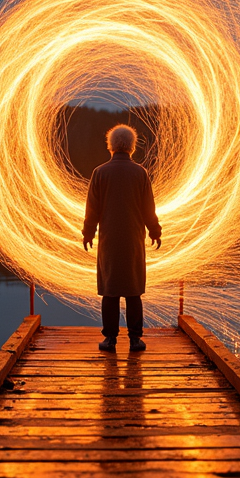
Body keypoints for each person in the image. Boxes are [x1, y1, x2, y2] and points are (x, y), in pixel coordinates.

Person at [82, 124, 162, 352]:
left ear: (110, 146)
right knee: (133, 291)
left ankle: (110, 339)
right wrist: (155, 231)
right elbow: (149, 209)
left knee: (110, 291)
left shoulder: (99, 173)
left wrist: (88, 233)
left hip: (109, 242)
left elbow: (92, 211)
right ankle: (136, 339)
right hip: (133, 241)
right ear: (132, 147)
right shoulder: (140, 173)